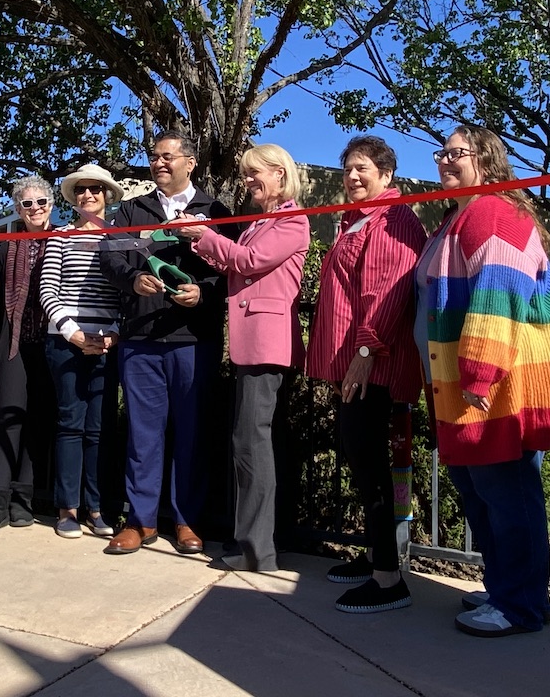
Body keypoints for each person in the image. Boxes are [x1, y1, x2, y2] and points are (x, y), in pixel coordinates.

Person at [418, 125, 550, 637]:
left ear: (486, 160)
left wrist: (480, 373)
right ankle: (509, 587)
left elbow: (499, 294)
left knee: (506, 490)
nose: (445, 160)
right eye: (441, 152)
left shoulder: (491, 212)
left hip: (497, 383)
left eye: (456, 153)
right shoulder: (460, 216)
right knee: (481, 489)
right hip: (461, 383)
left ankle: (522, 604)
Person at [170, 143, 309, 572]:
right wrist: (202, 240)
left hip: (268, 347)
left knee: (251, 445)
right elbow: (239, 262)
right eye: (246, 175)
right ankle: (252, 543)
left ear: (280, 176)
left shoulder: (291, 220)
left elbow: (247, 262)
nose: (248, 182)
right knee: (249, 444)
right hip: (254, 346)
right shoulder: (260, 222)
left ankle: (255, 550)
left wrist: (203, 236)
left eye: (256, 174)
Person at [305, 135, 425, 612]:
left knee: (369, 463)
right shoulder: (356, 220)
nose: (353, 177)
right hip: (357, 363)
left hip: (375, 364)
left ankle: (389, 578)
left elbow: (387, 290)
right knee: (361, 460)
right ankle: (376, 553)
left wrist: (366, 350)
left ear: (386, 175)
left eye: (363, 169)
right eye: (348, 169)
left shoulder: (394, 218)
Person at [99, 129, 233, 555]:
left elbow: (232, 269)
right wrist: (132, 278)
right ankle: (140, 521)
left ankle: (186, 520)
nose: (159, 163)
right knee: (143, 434)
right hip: (140, 339)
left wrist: (205, 293)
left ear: (189, 162)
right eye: (154, 157)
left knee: (191, 434)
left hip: (194, 339)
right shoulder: (131, 210)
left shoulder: (215, 209)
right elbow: (110, 256)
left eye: (167, 156)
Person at [38, 164, 125, 539]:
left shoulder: (121, 237)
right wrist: (73, 333)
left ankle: (97, 507)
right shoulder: (61, 236)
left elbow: (126, 293)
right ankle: (67, 508)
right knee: (70, 424)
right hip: (65, 342)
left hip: (107, 343)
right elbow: (47, 290)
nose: (88, 195)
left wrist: (114, 335)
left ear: (107, 195)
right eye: (81, 191)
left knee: (99, 428)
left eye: (95, 189)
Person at [0, 176, 57, 537]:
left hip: (53, 343)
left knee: (39, 424)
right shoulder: (8, 247)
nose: (35, 209)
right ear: (18, 209)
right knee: (7, 421)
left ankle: (24, 501)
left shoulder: (62, 240)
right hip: (14, 344)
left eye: (41, 202)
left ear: (51, 204)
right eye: (27, 203)